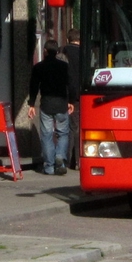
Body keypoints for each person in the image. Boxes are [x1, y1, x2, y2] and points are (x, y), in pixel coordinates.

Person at [27, 39, 76, 175]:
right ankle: (60, 156)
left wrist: (31, 104)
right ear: (56, 51)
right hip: (61, 104)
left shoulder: (38, 67)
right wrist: (71, 101)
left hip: (46, 105)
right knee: (63, 133)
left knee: (47, 135)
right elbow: (71, 85)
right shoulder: (64, 66)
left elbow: (33, 87)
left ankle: (49, 167)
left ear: (45, 51)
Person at [61, 29, 80, 170]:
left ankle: (67, 160)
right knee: (78, 127)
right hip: (81, 94)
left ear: (68, 39)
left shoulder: (63, 53)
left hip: (66, 95)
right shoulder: (86, 52)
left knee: (69, 129)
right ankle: (78, 160)